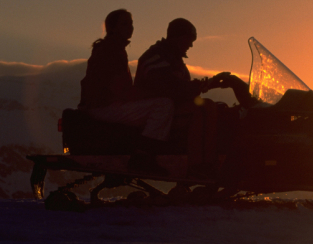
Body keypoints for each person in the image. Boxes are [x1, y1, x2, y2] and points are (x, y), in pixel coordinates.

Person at [78, 9, 175, 157]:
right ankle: (143, 155)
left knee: (156, 105)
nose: (130, 27)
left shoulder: (112, 48)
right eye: (124, 24)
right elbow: (120, 89)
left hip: (100, 106)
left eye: (131, 23)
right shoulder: (111, 50)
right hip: (104, 107)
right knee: (163, 105)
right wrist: (152, 94)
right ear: (112, 28)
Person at [134, 17, 257, 107]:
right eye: (189, 40)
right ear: (178, 38)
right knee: (208, 107)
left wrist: (213, 82)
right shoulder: (156, 58)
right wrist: (210, 83)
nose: (191, 45)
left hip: (170, 108)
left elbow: (183, 87)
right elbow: (174, 90)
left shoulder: (173, 59)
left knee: (222, 109)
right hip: (154, 110)